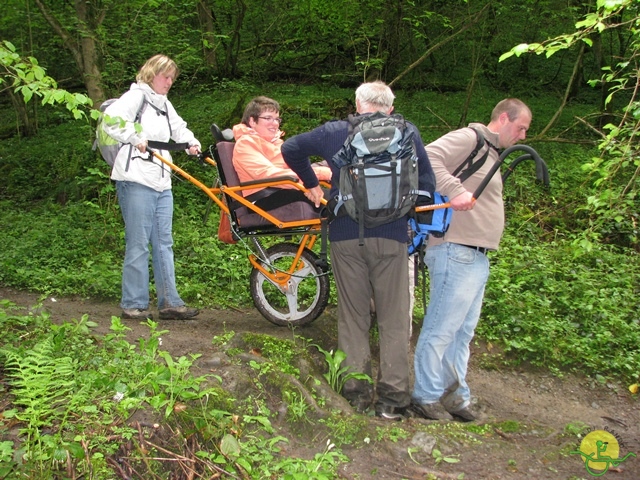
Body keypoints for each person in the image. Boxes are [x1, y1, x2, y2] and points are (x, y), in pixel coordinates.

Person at [281, 81, 436, 420]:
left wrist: (310, 183)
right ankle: (392, 402)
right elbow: (426, 183)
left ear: (357, 103)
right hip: (392, 237)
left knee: (353, 316)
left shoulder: (334, 131)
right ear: (390, 108)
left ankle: (356, 395)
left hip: (345, 235)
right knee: (394, 317)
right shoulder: (407, 132)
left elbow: (291, 148)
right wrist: (417, 225)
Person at [411, 98, 532, 422]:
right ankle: (425, 395)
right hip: (455, 249)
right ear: (504, 118)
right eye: (521, 128)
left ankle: (455, 397)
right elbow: (426, 158)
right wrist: (454, 190)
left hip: (475, 255)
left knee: (461, 332)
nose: (522, 137)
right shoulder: (470, 138)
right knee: (442, 328)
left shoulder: (491, 152)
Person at [103, 54, 202, 321]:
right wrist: (135, 137)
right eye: (165, 76)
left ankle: (170, 302)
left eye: (172, 77)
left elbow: (179, 128)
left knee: (163, 243)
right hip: (135, 179)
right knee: (138, 244)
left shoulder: (164, 104)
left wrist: (192, 143)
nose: (169, 82)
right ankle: (133, 303)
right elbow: (110, 120)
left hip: (161, 181)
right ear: (151, 74)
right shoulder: (136, 97)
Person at [232, 96, 331, 211]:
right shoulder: (245, 144)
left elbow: (295, 169)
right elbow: (269, 175)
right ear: (252, 121)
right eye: (268, 118)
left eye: (277, 119)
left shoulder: (277, 144)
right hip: (263, 197)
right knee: (339, 203)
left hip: (286, 188)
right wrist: (319, 174)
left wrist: (311, 183)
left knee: (340, 196)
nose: (275, 123)